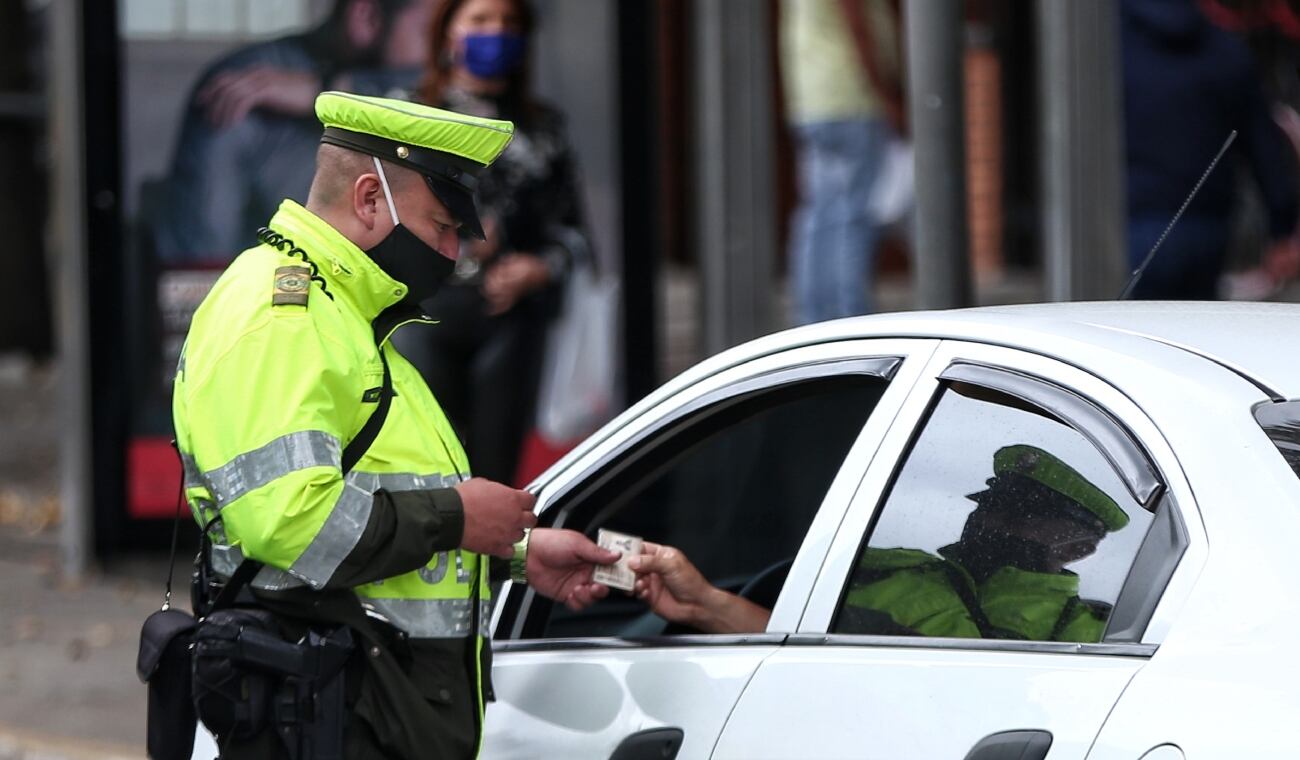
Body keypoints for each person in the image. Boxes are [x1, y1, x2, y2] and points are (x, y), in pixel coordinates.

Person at [172, 91, 618, 759]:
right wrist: (460, 520)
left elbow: (373, 506)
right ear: (369, 200)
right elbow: (293, 524)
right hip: (325, 718)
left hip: (359, 710)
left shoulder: (347, 316)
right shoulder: (282, 317)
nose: (457, 249)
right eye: (443, 225)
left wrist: (511, 555)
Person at [631, 445, 1126, 644]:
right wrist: (705, 603)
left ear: (1078, 547)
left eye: (1023, 513)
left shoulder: (1099, 634)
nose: (992, 517)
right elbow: (794, 654)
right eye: (992, 501)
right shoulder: (887, 569)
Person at [392, 0, 591, 484]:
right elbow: (372, 213)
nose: (495, 33)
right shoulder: (410, 114)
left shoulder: (544, 127)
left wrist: (538, 268)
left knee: (494, 477)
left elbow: (574, 234)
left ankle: (490, 564)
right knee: (427, 473)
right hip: (423, 312)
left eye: (508, 24)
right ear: (448, 34)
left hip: (511, 321)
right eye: (480, 21)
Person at [153, 0, 437, 263]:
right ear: (367, 18)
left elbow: (440, 100)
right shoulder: (246, 88)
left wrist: (327, 90)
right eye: (431, 33)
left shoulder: (424, 89)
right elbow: (201, 254)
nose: (445, 51)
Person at [1121, 0, 1300, 299]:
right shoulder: (1225, 49)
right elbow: (1263, 148)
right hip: (1206, 230)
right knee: (1190, 330)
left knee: (1124, 335)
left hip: (1134, 221)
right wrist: (1281, 228)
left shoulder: (1108, 49)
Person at [780, 0, 903, 325]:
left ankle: (814, 319)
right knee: (853, 216)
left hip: (813, 101)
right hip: (852, 98)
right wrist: (887, 93)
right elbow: (858, 25)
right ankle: (851, 320)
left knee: (819, 215)